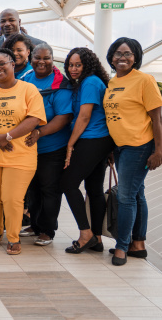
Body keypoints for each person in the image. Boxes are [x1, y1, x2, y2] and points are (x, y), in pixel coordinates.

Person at [0, 48, 46, 255]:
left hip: (20, 155)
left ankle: (13, 237)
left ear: (13, 64)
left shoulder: (29, 90)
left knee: (12, 198)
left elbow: (34, 119)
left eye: (2, 63)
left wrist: (8, 137)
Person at [104, 38, 162, 266]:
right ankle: (138, 244)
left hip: (139, 145)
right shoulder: (111, 83)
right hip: (120, 147)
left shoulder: (144, 80)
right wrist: (111, 148)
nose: (122, 58)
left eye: (127, 54)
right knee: (137, 193)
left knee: (126, 196)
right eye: (118, 54)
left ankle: (122, 246)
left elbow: (157, 119)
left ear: (136, 57)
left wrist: (159, 150)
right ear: (111, 57)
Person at [61, 47, 114, 254]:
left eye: (78, 65)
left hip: (92, 139)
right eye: (70, 65)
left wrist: (70, 144)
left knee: (68, 183)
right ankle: (97, 239)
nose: (73, 69)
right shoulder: (86, 82)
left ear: (87, 65)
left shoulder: (90, 82)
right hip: (100, 140)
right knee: (93, 189)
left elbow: (84, 117)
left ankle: (86, 234)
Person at [22, 43, 73, 246]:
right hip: (29, 147)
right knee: (32, 188)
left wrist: (39, 132)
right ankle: (35, 225)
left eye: (46, 58)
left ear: (53, 60)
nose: (41, 62)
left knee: (49, 189)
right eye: (37, 58)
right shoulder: (25, 79)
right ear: (30, 58)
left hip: (52, 148)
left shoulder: (60, 83)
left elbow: (64, 117)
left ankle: (48, 230)